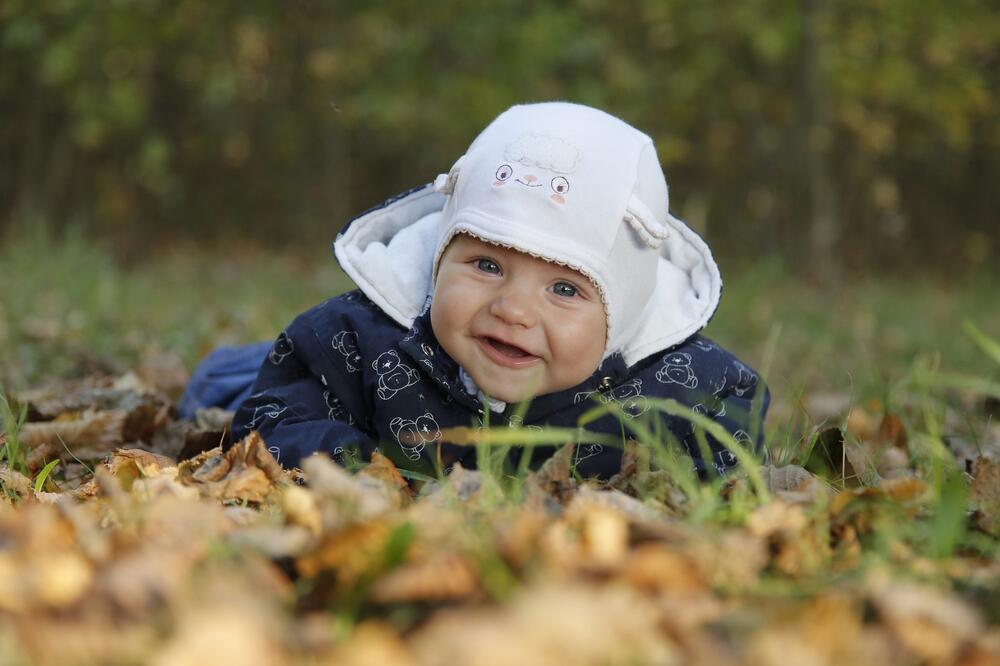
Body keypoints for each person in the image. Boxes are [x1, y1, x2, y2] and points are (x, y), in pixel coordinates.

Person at [181, 102, 769, 479]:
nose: (512, 309)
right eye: (486, 265)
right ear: (442, 258)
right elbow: (276, 419)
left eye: (564, 287)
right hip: (366, 380)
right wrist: (367, 471)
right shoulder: (361, 338)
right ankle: (227, 369)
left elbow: (728, 458)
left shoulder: (677, 384)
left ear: (623, 311)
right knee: (237, 385)